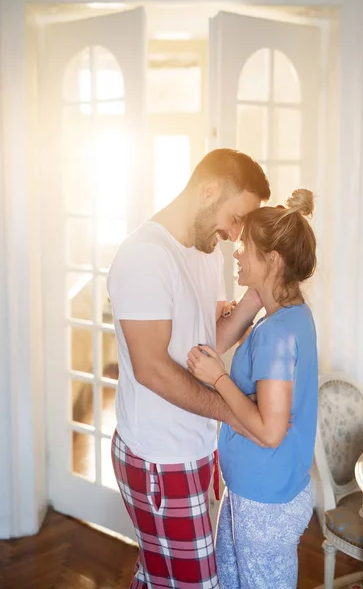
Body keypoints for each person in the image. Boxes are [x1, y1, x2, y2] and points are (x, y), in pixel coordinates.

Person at [107, 148, 270, 588]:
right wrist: (234, 411)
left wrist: (256, 296)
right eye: (236, 218)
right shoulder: (145, 256)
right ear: (209, 191)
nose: (235, 234)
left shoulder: (206, 252)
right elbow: (153, 369)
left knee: (161, 575)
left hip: (196, 446)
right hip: (158, 458)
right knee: (194, 582)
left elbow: (206, 344)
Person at [187, 189, 318, 589]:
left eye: (245, 246)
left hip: (266, 503)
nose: (237, 253)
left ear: (273, 260)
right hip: (258, 493)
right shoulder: (291, 313)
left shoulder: (277, 334)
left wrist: (217, 378)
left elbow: (269, 430)